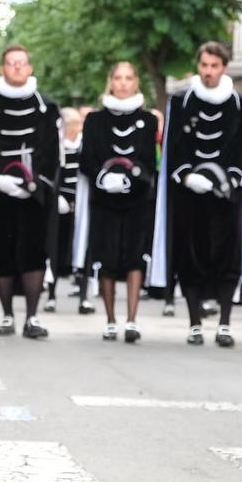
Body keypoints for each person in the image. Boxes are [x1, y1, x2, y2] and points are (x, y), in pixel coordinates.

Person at [150, 41, 242, 347]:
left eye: (214, 66)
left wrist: (231, 180)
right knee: (190, 254)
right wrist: (186, 175)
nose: (209, 72)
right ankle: (194, 322)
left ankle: (225, 323)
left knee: (226, 255)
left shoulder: (241, 105)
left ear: (224, 68)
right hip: (190, 193)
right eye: (204, 66)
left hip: (226, 193)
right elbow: (173, 147)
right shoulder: (181, 102)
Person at [0, 45, 63, 339]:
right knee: (2, 254)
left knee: (34, 254)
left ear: (30, 68)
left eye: (22, 63)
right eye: (11, 63)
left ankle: (32, 317)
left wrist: (35, 183)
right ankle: (7, 315)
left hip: (34, 195)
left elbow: (51, 150)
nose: (17, 68)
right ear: (3, 69)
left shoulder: (47, 106)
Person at [73, 61, 159, 343]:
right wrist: (102, 176)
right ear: (110, 82)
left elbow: (149, 161)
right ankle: (110, 319)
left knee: (136, 256)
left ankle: (132, 319)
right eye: (118, 78)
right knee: (106, 257)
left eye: (129, 78)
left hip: (137, 200)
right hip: (104, 200)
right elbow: (86, 159)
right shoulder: (95, 120)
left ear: (136, 82)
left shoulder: (149, 121)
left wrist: (132, 177)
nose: (123, 83)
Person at [48, 107, 93, 315]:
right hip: (60, 205)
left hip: (82, 204)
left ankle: (84, 298)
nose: (74, 128)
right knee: (56, 250)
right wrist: (57, 198)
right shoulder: (56, 146)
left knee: (84, 250)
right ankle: (50, 295)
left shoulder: (85, 145)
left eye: (77, 123)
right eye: (71, 124)